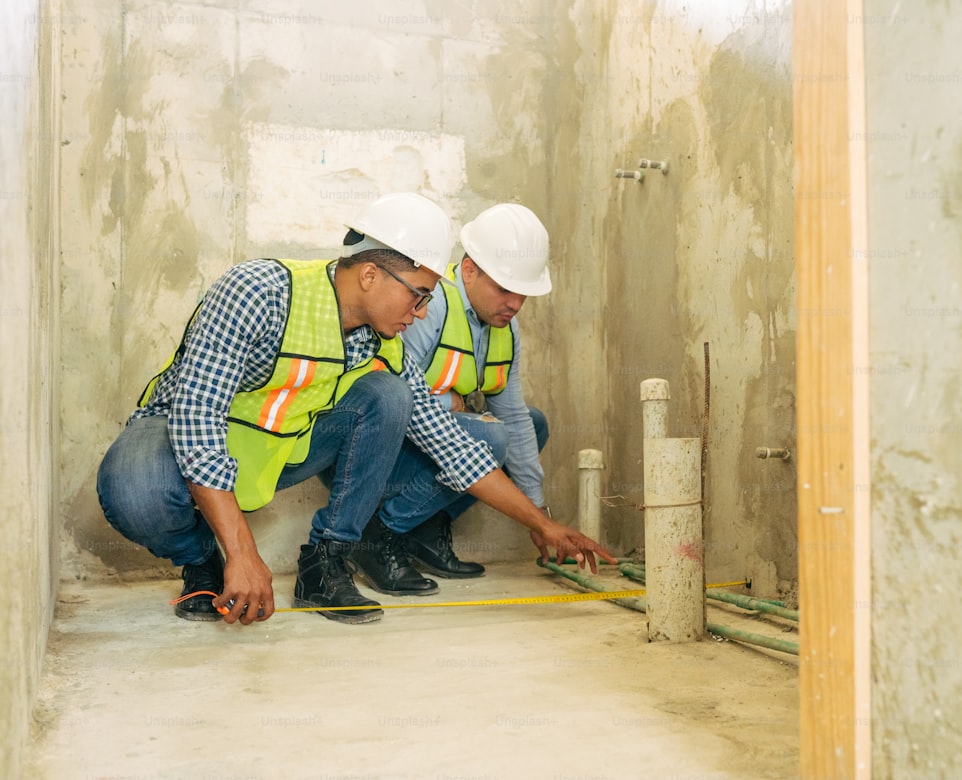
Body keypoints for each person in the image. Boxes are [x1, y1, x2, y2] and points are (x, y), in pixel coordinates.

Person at [96, 193, 614, 627]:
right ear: (370, 276)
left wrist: (542, 524)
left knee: (391, 395)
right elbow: (198, 419)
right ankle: (200, 563)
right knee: (134, 486)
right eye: (418, 297)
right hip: (180, 434)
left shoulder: (384, 340)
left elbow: (449, 443)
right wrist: (241, 553)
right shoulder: (257, 292)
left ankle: (326, 562)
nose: (422, 312)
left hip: (278, 448)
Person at [355, 204, 553, 588]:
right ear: (469, 270)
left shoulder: (505, 332)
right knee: (491, 436)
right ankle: (377, 536)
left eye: (523, 294)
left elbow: (514, 418)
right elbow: (388, 392)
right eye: (504, 289)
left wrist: (539, 515)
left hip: (431, 446)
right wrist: (451, 404)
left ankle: (424, 530)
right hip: (373, 454)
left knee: (531, 423)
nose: (514, 304)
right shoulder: (427, 307)